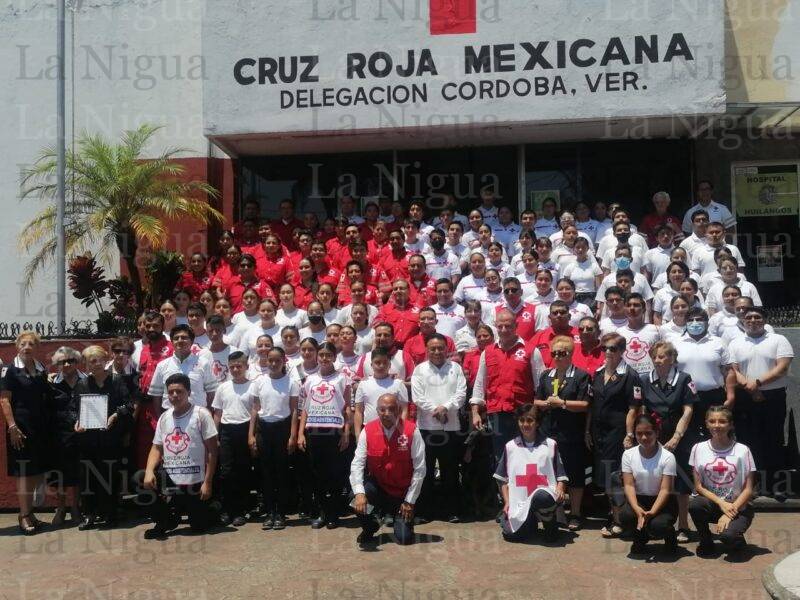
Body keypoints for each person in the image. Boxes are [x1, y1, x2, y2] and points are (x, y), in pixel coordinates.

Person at [143, 373, 218, 539]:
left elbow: (212, 451)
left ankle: (213, 507)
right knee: (142, 480)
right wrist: (149, 471)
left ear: (189, 392)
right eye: (171, 392)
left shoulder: (201, 414)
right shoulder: (164, 417)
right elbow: (156, 447)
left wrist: (208, 482)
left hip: (195, 480)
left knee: (199, 526)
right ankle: (164, 521)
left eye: (179, 391)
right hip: (172, 477)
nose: (175, 395)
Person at [728, 307, 794, 497]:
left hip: (772, 397)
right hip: (745, 398)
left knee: (773, 439)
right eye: (748, 317)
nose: (753, 320)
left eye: (757, 317)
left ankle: (776, 485)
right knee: (748, 441)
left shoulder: (778, 340)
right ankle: (753, 485)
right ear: (743, 320)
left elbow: (782, 368)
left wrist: (757, 383)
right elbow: (732, 370)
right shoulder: (735, 343)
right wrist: (750, 388)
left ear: (765, 320)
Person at [640, 340, 699, 543]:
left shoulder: (684, 379)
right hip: (654, 438)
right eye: (654, 356)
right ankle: (655, 523)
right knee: (656, 480)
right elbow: (643, 410)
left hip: (680, 437)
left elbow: (688, 410)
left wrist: (676, 437)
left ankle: (683, 525)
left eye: (662, 356)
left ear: (672, 358)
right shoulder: (644, 379)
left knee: (681, 483)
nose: (657, 360)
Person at [350, 393, 426, 547]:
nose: (387, 413)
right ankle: (371, 525)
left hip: (402, 494)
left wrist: (409, 501)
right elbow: (357, 464)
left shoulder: (411, 431)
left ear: (398, 410)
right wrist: (359, 493)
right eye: (382, 409)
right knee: (353, 498)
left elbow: (420, 468)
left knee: (404, 539)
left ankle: (403, 518)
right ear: (377, 411)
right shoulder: (368, 430)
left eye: (391, 409)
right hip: (379, 489)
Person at [72, 345, 134, 530]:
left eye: (99, 360)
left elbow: (128, 405)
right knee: (88, 477)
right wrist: (76, 422)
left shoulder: (117, 381)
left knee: (110, 476)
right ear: (86, 365)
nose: (96, 364)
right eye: (91, 361)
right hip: (88, 440)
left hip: (110, 438)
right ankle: (89, 515)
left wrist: (116, 415)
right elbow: (74, 409)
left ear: (105, 360)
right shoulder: (82, 384)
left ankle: (110, 513)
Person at [587, 333, 642, 538]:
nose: (608, 352)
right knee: (604, 476)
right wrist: (587, 431)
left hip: (617, 433)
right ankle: (614, 514)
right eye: (605, 348)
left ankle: (619, 520)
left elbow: (633, 408)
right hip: (598, 433)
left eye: (613, 348)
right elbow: (592, 405)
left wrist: (629, 434)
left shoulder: (630, 375)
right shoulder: (598, 373)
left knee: (615, 477)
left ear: (622, 351)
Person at [534, 335, 590, 530]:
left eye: (562, 353)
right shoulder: (546, 376)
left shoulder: (581, 376)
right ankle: (553, 512)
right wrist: (546, 403)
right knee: (549, 472)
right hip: (548, 433)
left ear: (571, 354)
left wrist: (563, 404)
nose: (557, 357)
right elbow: (536, 400)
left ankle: (575, 514)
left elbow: (585, 404)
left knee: (574, 473)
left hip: (571, 433)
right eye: (554, 353)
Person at [470, 310, 539, 463]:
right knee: (500, 458)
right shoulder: (488, 352)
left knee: (524, 457)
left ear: (516, 325)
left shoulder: (531, 351)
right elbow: (480, 384)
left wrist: (535, 413)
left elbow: (539, 385)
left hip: (523, 415)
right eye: (500, 326)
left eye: (508, 326)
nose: (504, 330)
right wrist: (475, 413)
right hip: (496, 414)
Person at [411, 334, 467, 523]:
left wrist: (446, 408)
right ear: (427, 350)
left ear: (446, 349)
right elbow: (417, 397)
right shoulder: (420, 369)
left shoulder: (455, 368)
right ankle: (424, 511)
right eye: (433, 348)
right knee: (425, 470)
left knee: (450, 470)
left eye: (440, 348)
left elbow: (461, 394)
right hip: (426, 427)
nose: (437, 352)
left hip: (451, 427)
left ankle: (451, 510)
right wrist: (435, 410)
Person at [0, 332, 52, 534]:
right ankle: (23, 515)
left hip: (39, 427)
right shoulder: (10, 370)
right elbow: (4, 400)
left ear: (37, 347)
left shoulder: (40, 369)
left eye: (31, 344)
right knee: (23, 472)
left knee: (35, 471)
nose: (27, 347)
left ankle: (30, 512)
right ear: (17, 346)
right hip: (20, 428)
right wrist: (12, 427)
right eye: (23, 343)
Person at [297, 342, 351, 528]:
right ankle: (322, 512)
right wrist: (300, 434)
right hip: (314, 431)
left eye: (328, 355)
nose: (325, 358)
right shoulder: (310, 379)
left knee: (334, 473)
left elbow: (347, 408)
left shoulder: (342, 379)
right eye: (321, 355)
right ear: (317, 356)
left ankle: (333, 513)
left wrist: (346, 433)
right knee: (317, 474)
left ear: (334, 357)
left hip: (334, 431)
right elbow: (305, 409)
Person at [689, 406, 756, 556]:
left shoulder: (743, 451)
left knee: (728, 537)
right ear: (706, 424)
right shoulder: (698, 448)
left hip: (738, 506)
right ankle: (705, 540)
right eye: (712, 421)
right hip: (713, 503)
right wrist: (721, 503)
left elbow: (748, 489)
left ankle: (736, 538)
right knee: (696, 505)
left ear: (731, 425)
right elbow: (698, 487)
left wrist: (729, 512)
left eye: (722, 421)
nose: (717, 425)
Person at [495, 403, 566, 543]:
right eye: (522, 420)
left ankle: (550, 526)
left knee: (541, 496)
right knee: (511, 535)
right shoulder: (510, 447)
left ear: (537, 423)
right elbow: (502, 478)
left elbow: (560, 475)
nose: (525, 424)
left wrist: (560, 488)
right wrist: (507, 502)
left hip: (545, 496)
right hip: (520, 502)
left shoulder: (550, 444)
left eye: (530, 420)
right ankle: (530, 523)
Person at [249, 347, 299, 530]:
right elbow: (255, 409)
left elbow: (294, 410)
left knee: (282, 472)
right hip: (264, 429)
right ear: (266, 360)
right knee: (266, 472)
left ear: (284, 361)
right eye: (271, 360)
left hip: (283, 429)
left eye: (278, 360)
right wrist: (251, 435)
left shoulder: (291, 382)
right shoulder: (259, 381)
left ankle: (281, 513)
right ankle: (270, 512)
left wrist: (293, 435)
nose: (274, 363)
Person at [619, 414, 679, 554]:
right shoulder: (628, 455)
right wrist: (636, 508)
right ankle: (640, 538)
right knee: (626, 516)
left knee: (658, 526)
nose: (644, 437)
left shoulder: (668, 457)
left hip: (663, 502)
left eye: (648, 433)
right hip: (640, 499)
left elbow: (665, 489)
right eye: (639, 433)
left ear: (657, 433)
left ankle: (670, 536)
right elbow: (628, 485)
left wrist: (652, 512)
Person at [673, 308, 735, 438]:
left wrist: (730, 395)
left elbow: (728, 370)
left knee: (715, 434)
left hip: (713, 397)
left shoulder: (718, 342)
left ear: (707, 322)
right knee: (688, 435)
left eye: (699, 319)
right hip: (685, 397)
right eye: (690, 320)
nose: (694, 323)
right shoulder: (676, 343)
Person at [211, 352, 253, 527]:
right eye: (232, 367)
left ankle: (240, 511)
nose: (235, 369)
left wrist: (252, 435)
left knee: (243, 470)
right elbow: (217, 413)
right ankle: (227, 509)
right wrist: (215, 436)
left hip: (245, 430)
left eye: (239, 366)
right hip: (227, 431)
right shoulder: (223, 387)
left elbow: (255, 413)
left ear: (246, 367)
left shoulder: (253, 386)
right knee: (226, 472)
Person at [47, 346, 84, 527]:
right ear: (57, 364)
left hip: (81, 433)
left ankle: (75, 507)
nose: (67, 364)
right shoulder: (51, 383)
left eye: (71, 361)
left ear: (77, 362)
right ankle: (61, 508)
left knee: (77, 472)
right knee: (58, 473)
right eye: (63, 362)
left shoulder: (86, 381)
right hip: (58, 434)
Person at [148, 325, 218, 411]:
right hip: (170, 415)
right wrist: (161, 416)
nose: (180, 340)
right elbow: (156, 396)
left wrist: (207, 414)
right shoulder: (162, 366)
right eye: (176, 338)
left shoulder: (204, 364)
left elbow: (211, 393)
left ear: (192, 341)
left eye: (184, 338)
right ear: (172, 342)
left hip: (197, 415)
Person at [353, 348, 409, 438]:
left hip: (393, 431)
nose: (381, 366)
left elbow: (404, 410)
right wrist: (357, 435)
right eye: (377, 362)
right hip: (369, 430)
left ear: (390, 365)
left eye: (385, 362)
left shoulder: (398, 384)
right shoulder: (363, 384)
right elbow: (358, 411)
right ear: (371, 365)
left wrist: (401, 431)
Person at [617, 294, 662, 375]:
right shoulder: (618, 333)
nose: (632, 308)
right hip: (627, 377)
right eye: (628, 305)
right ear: (624, 309)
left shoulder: (656, 330)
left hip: (651, 376)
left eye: (636, 305)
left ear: (644, 309)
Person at [375, 280, 420, 348]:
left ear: (409, 291)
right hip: (389, 349)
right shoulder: (384, 309)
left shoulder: (418, 310)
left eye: (401, 288)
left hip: (411, 349)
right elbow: (377, 326)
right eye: (395, 289)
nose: (398, 291)